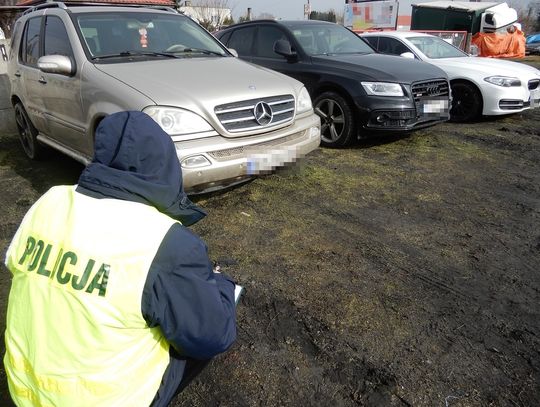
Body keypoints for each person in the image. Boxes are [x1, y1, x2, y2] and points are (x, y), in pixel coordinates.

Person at [3, 111, 238, 407]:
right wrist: (221, 284)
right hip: (105, 400)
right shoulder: (165, 242)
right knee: (196, 324)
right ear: (165, 164)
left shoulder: (48, 202)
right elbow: (213, 335)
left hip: (24, 389)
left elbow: (16, 266)